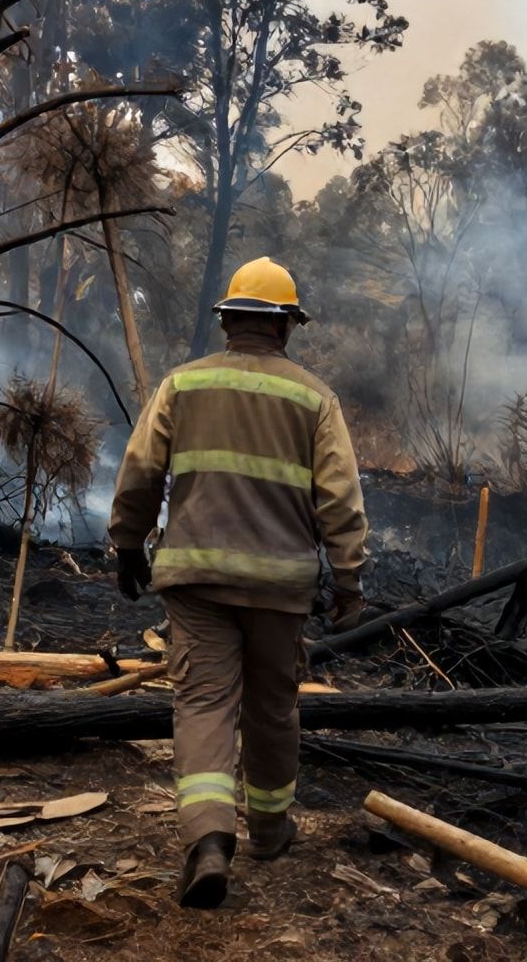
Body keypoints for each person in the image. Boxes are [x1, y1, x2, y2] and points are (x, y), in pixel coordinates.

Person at [107, 256, 368, 909]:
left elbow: (140, 472)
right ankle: (271, 831)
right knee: (272, 707)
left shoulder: (182, 385)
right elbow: (340, 499)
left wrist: (127, 545)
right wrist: (348, 581)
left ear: (228, 320)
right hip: (280, 589)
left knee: (202, 703)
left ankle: (209, 840)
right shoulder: (314, 399)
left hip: (196, 581)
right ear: (285, 326)